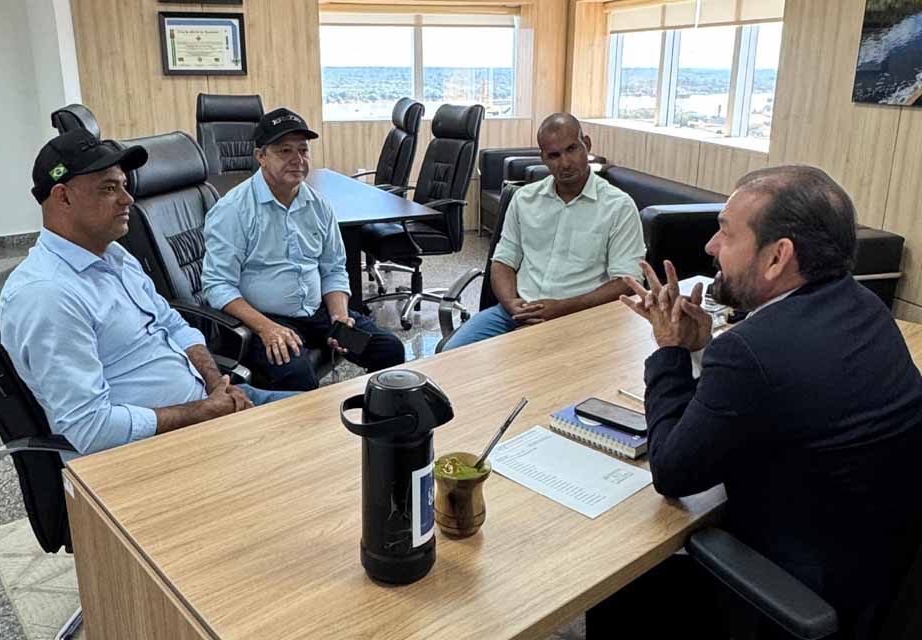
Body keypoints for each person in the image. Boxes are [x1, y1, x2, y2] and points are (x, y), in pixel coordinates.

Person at [592, 165, 922, 639]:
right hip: (873, 570)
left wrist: (668, 351)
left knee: (619, 571)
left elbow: (672, 471)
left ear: (776, 258)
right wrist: (700, 348)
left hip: (791, 589)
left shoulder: (751, 351)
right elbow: (776, 399)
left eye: (725, 232)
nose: (709, 247)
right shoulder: (866, 307)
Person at [0, 130, 297, 459]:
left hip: (207, 407)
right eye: (109, 189)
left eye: (124, 186)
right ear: (63, 197)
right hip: (154, 453)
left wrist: (215, 387)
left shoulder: (114, 255)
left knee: (327, 419)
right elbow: (91, 428)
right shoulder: (48, 295)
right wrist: (205, 411)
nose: (127, 199)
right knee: (316, 465)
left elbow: (174, 325)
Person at [201, 107, 404, 391]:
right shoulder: (233, 210)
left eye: (303, 151)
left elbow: (333, 269)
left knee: (389, 350)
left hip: (318, 314)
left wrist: (339, 316)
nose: (297, 160)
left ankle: (374, 426)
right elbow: (217, 285)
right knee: (298, 376)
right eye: (284, 151)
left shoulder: (318, 206)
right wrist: (265, 328)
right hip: (264, 319)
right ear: (261, 156)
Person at [441, 112, 645, 351]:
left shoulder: (618, 206)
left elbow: (626, 282)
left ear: (586, 145)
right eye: (554, 155)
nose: (565, 163)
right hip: (514, 312)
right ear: (543, 158)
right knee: (451, 355)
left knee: (522, 366)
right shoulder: (525, 199)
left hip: (578, 318)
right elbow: (503, 261)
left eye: (572, 149)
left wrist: (562, 308)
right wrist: (512, 304)